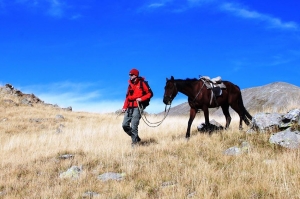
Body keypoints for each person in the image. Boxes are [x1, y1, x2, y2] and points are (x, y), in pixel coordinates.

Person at [122, 68, 152, 147]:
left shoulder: (142, 83)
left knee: (134, 125)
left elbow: (149, 94)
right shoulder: (130, 85)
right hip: (129, 107)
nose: (130, 76)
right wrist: (124, 107)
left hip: (138, 107)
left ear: (136, 75)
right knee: (124, 125)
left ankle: (134, 144)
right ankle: (136, 138)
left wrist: (141, 99)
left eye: (131, 75)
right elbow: (127, 98)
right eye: (129, 75)